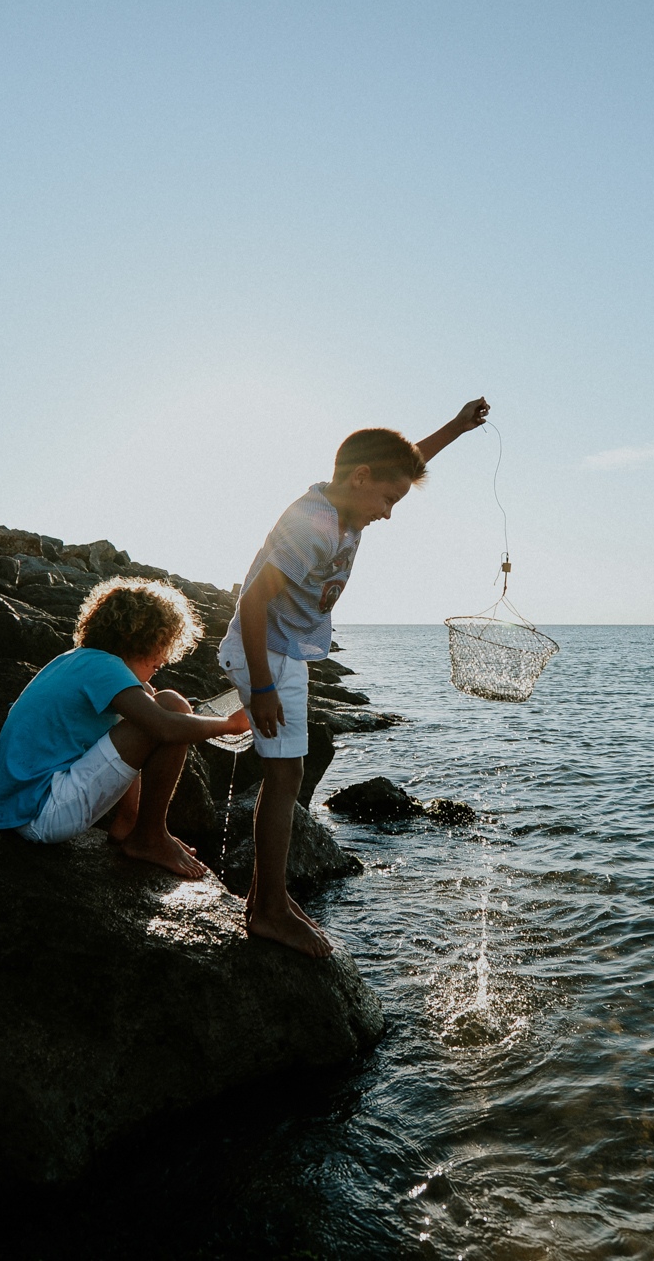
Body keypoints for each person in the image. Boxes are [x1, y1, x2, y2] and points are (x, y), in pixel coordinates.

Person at [224, 397, 492, 956]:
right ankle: (267, 906)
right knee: (286, 776)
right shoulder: (314, 525)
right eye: (389, 500)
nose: (390, 513)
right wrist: (264, 685)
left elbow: (407, 458)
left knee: (289, 773)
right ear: (361, 478)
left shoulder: (347, 502)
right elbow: (252, 602)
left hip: (284, 652)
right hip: (264, 650)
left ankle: (265, 898)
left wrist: (458, 428)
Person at [0, 576, 249, 877]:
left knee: (152, 704)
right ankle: (149, 837)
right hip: (42, 811)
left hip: (20, 808)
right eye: (159, 656)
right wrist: (231, 725)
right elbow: (165, 727)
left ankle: (130, 824)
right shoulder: (104, 667)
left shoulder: (76, 660)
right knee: (172, 707)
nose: (159, 667)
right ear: (142, 640)